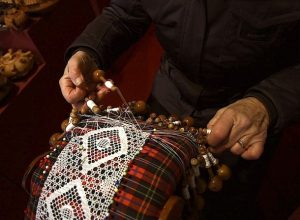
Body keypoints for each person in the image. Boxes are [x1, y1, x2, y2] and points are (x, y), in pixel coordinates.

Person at [59, 1, 300, 219]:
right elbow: (125, 12)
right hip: (169, 95)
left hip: (243, 111)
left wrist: (265, 104)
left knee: (226, 204)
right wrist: (88, 50)